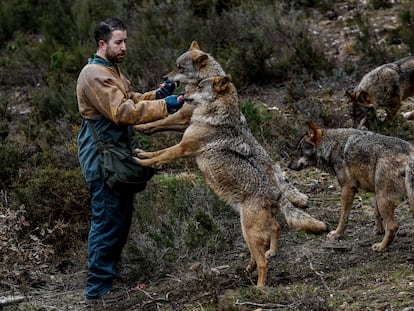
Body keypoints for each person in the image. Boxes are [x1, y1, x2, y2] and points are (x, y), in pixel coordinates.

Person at [76, 17, 183, 305]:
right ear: (102, 44)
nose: (124, 46)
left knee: (119, 222)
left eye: (125, 41)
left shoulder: (111, 71)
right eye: (118, 42)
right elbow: (122, 111)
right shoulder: (93, 74)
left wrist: (157, 95)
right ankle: (98, 291)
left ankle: (108, 282)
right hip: (103, 160)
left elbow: (131, 98)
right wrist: (165, 106)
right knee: (107, 222)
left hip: (116, 157)